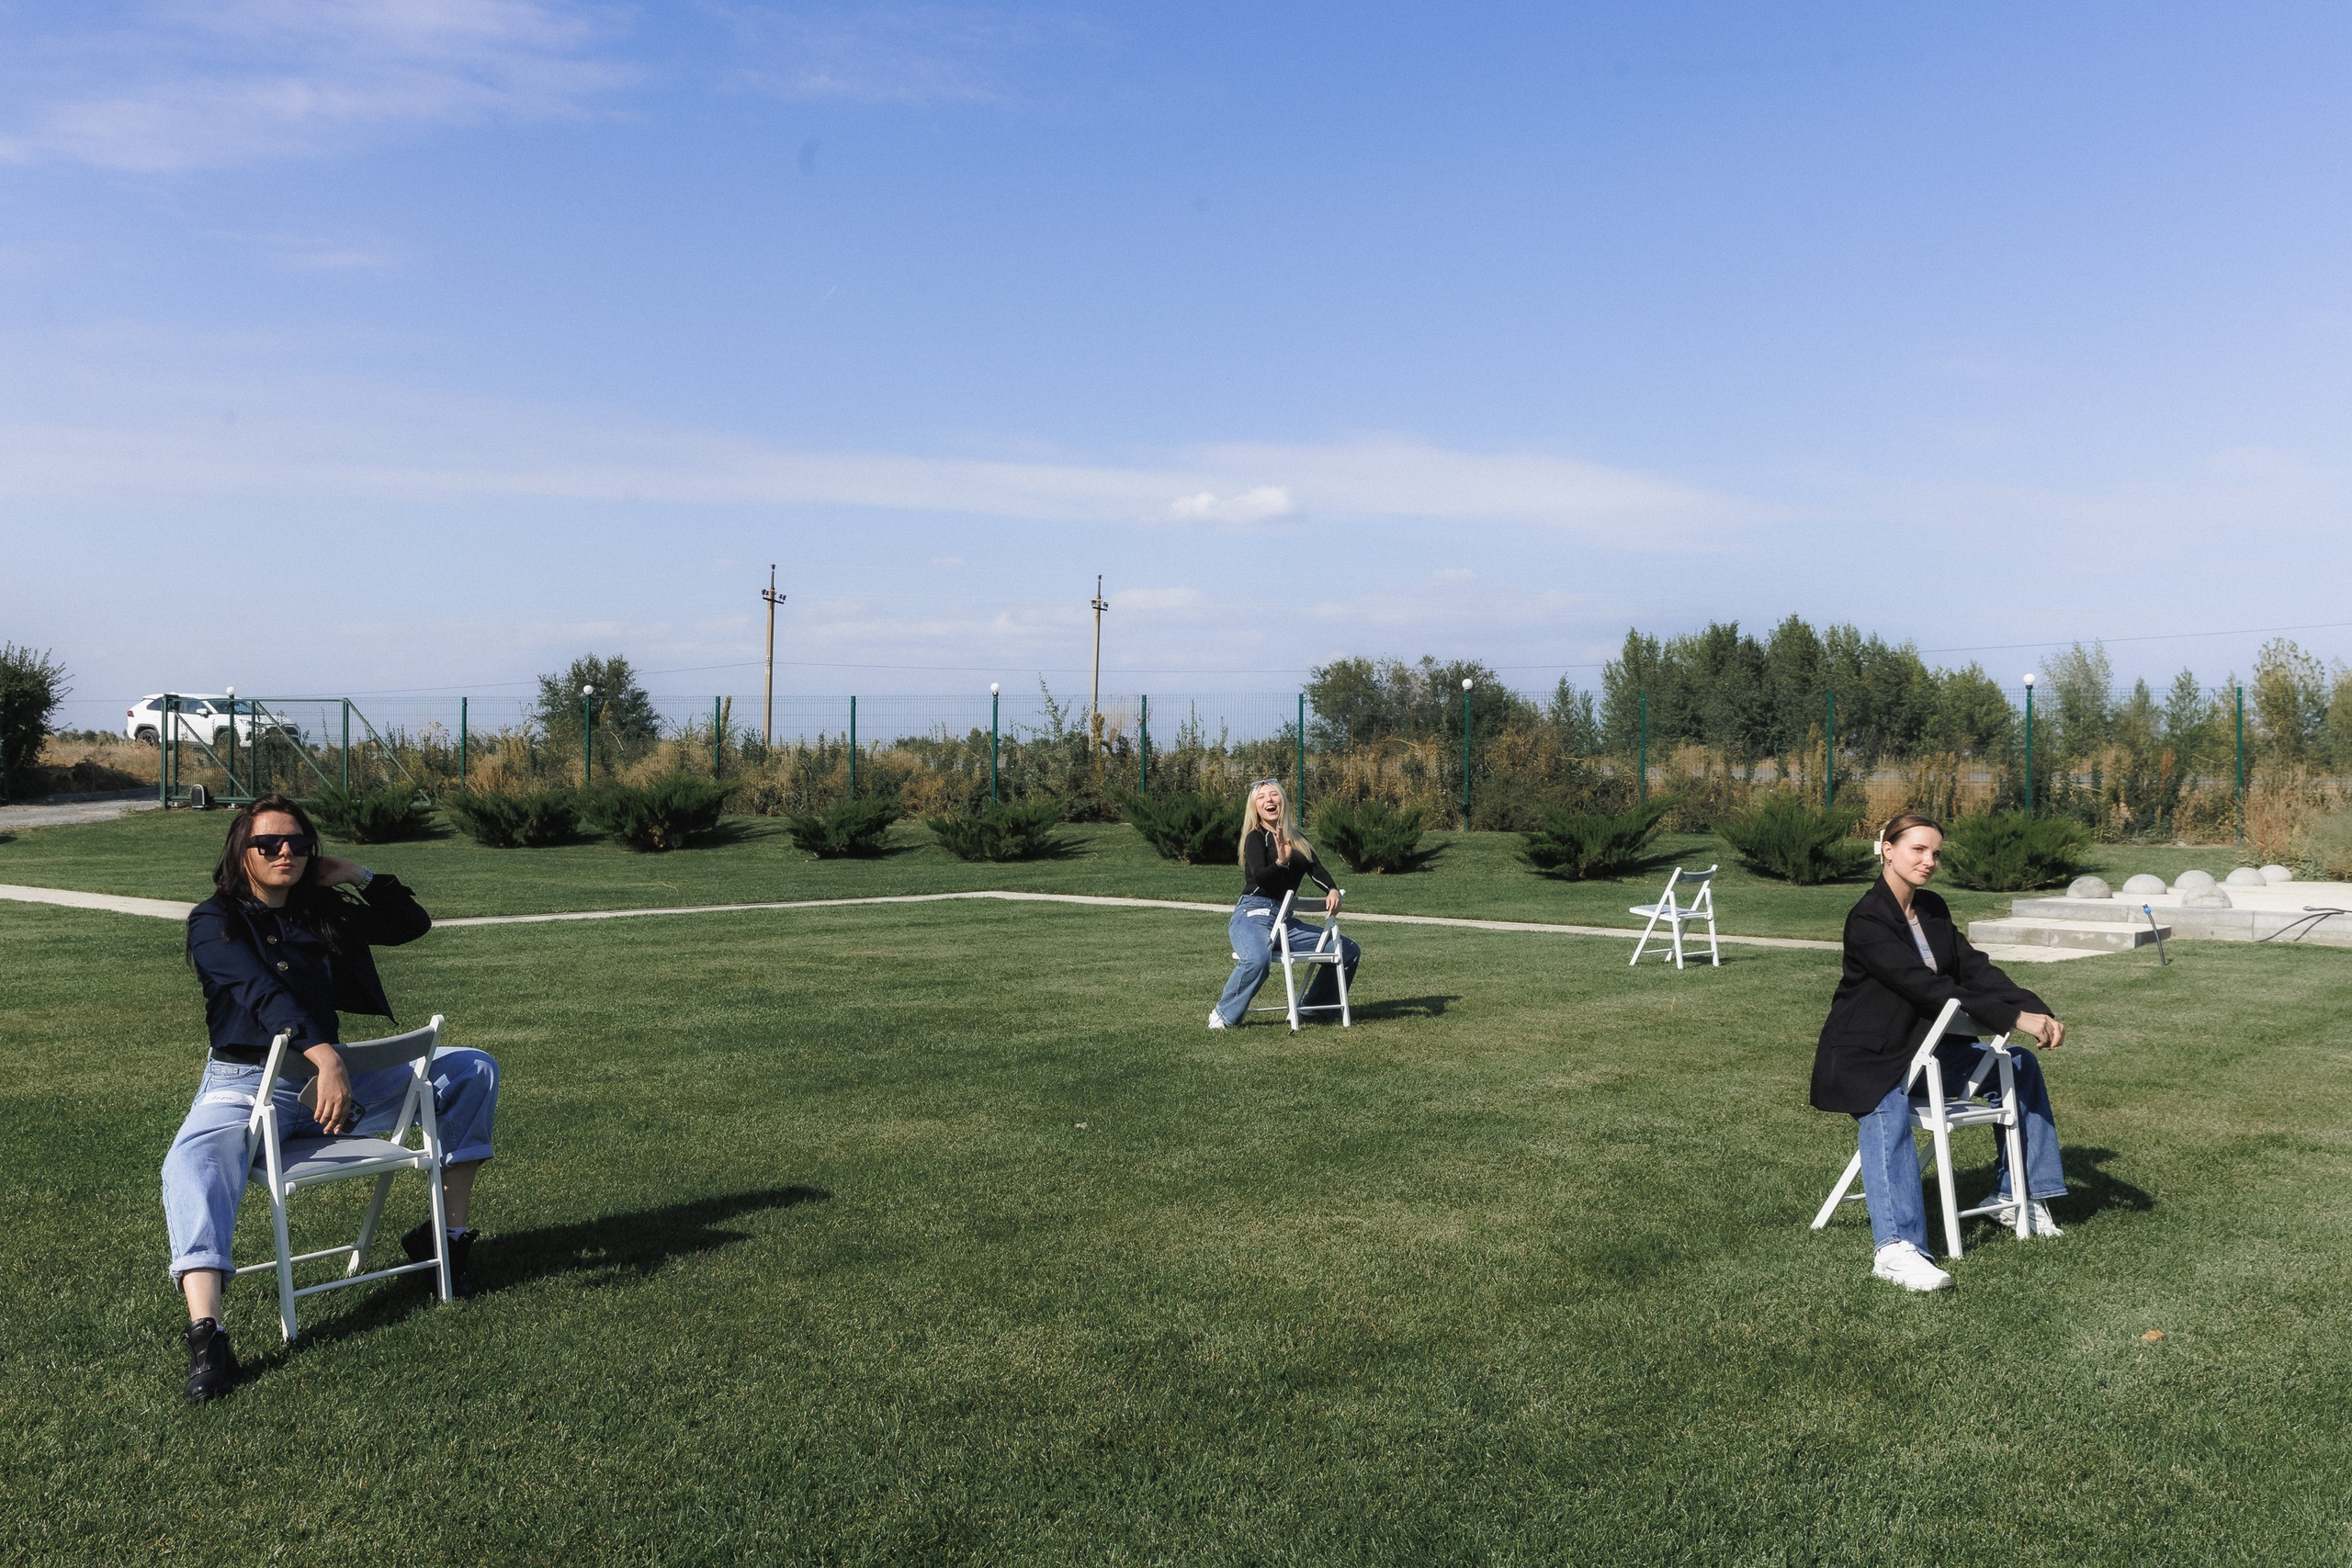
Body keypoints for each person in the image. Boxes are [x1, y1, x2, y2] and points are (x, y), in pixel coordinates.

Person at [164, 795, 501, 1401]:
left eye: (297, 841)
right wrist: (325, 1056)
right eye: (268, 843)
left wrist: (356, 874)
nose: (285, 851)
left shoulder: (321, 909)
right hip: (245, 1087)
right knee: (191, 1162)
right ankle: (208, 1334)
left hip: (334, 1084)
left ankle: (444, 1242)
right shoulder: (214, 920)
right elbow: (261, 992)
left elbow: (410, 923)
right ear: (241, 854)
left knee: (471, 1068)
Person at [1812, 811, 2071, 1292]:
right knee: (1886, 1110)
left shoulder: (1932, 909)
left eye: (1936, 853)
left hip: (1927, 1054)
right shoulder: (1867, 919)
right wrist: (2014, 1020)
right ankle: (1896, 1249)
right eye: (1918, 850)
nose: (1929, 861)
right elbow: (1928, 990)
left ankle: (2018, 1196)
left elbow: (1976, 971)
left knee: (2018, 1064)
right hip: (1867, 1056)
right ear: (1887, 849)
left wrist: (2036, 1010)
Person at [1210, 777, 1362, 1029]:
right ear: (1255, 807)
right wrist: (1280, 862)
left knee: (1347, 950)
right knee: (1257, 960)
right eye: (1261, 797)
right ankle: (1224, 1015)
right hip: (1252, 914)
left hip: (1285, 919)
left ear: (1283, 800)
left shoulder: (1298, 839)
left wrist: (1332, 889)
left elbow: (1317, 870)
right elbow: (1260, 878)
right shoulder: (1255, 837)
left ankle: (1316, 1009)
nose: (1268, 800)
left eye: (1273, 795)